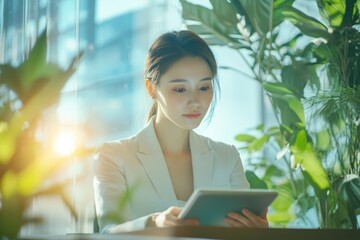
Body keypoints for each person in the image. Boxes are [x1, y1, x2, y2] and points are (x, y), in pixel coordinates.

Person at [93, 30, 268, 233]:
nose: (195, 101)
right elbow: (109, 232)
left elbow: (242, 232)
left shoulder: (226, 157)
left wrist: (258, 231)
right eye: (180, 89)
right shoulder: (113, 156)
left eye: (204, 88)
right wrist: (154, 223)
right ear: (151, 88)